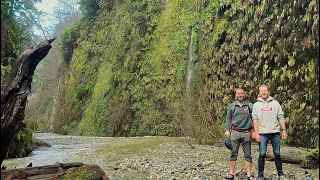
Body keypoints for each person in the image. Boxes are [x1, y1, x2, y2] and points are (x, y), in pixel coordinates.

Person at [252, 85, 288, 180]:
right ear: (259, 93)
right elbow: (255, 120)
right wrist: (256, 133)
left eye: (265, 91)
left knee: (277, 154)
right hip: (262, 133)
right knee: (262, 154)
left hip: (275, 133)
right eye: (261, 91)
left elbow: (281, 117)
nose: (263, 92)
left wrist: (284, 130)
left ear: (268, 92)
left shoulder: (275, 104)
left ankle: (281, 174)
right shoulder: (256, 105)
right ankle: (260, 175)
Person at [224, 88, 255, 180]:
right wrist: (227, 130)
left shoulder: (249, 106)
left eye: (241, 93)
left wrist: (254, 131)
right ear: (236, 95)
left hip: (246, 133)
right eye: (238, 93)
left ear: (244, 94)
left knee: (248, 154)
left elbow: (254, 118)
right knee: (233, 153)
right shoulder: (232, 106)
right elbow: (228, 118)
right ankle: (231, 173)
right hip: (235, 132)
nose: (240, 95)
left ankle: (249, 175)